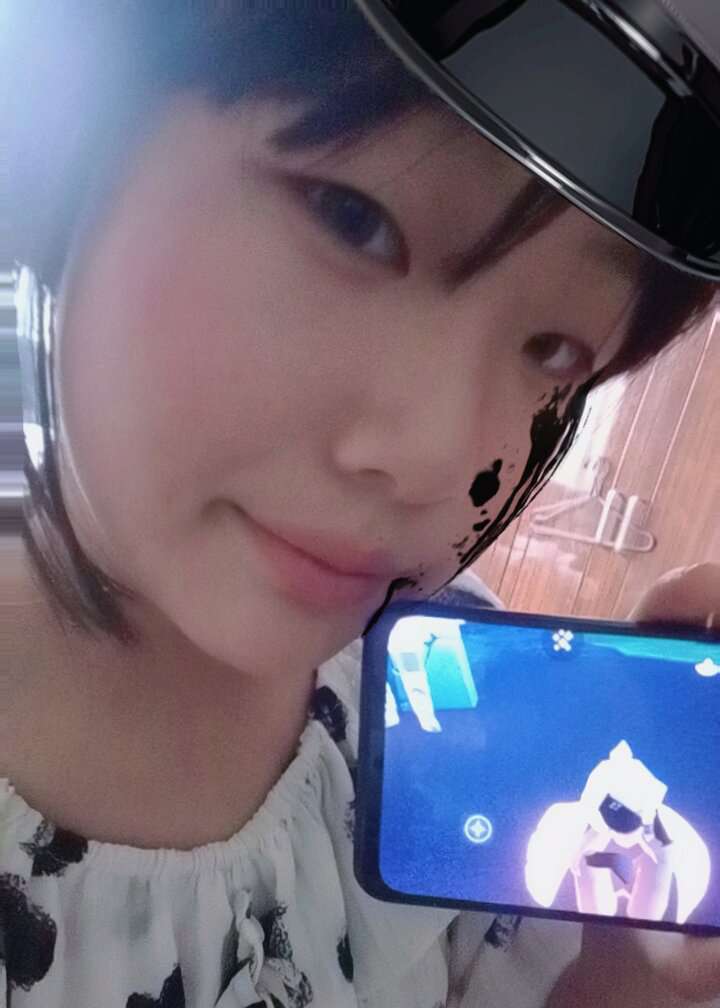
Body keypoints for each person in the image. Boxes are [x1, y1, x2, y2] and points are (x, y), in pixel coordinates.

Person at [2, 2, 719, 1005]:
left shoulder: (446, 691)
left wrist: (638, 966)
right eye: (352, 219)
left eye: (556, 350)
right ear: (59, 144)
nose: (438, 457)